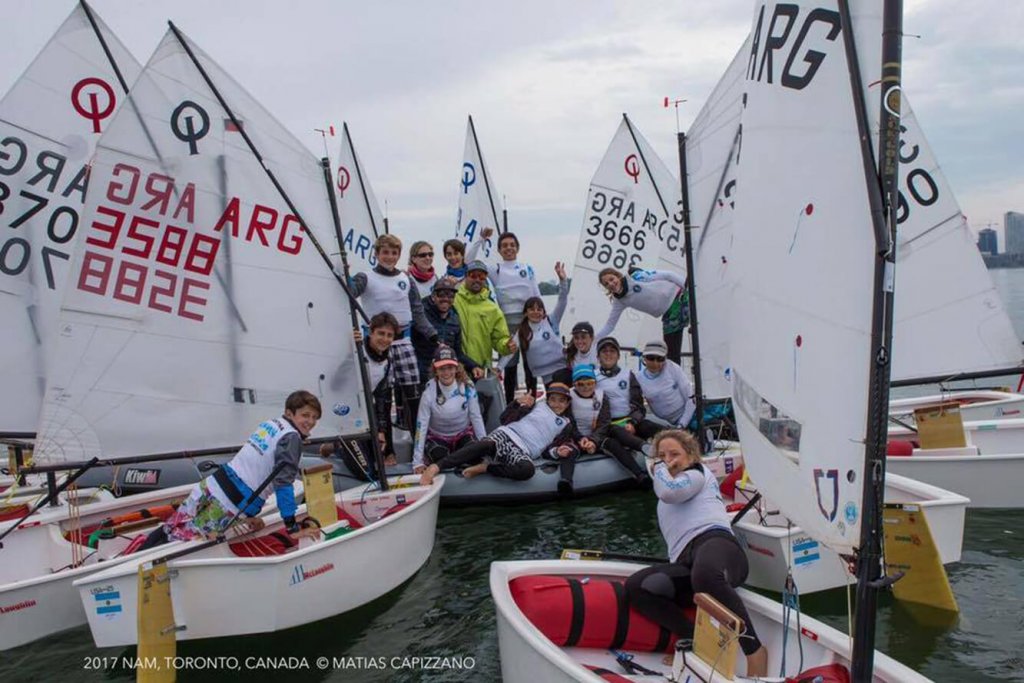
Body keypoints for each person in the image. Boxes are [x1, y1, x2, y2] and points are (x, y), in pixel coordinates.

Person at [625, 430, 767, 677]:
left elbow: (669, 491)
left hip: (718, 545)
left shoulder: (696, 473)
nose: (667, 460)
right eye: (661, 455)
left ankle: (754, 651)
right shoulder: (666, 487)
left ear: (691, 456)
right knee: (637, 586)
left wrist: (659, 467)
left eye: (674, 454)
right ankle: (695, 642)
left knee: (705, 574)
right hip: (686, 561)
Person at [140, 391, 323, 549]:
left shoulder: (271, 424)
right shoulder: (291, 439)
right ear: (289, 413)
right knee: (180, 543)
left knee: (170, 528)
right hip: (228, 503)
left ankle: (136, 552)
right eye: (305, 415)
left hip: (210, 486)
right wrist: (292, 527)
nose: (311, 421)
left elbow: (254, 464)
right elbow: (283, 484)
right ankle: (135, 572)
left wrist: (245, 519)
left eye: (315, 417)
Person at [349, 234, 438, 431]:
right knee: (383, 396)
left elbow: (417, 310)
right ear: (376, 254)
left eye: (394, 253)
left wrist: (432, 333)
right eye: (385, 252)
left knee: (413, 394)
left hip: (403, 342)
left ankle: (418, 440)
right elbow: (351, 292)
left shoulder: (406, 278)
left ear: (399, 255)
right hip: (377, 345)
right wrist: (345, 273)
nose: (389, 257)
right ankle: (385, 443)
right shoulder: (366, 277)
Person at [419, 378, 578, 486]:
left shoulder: (566, 425)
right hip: (507, 434)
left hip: (523, 451)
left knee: (527, 470)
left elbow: (549, 451)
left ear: (568, 403)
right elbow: (504, 419)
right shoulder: (536, 406)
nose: (556, 404)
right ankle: (436, 467)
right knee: (484, 445)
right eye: (553, 399)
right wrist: (517, 403)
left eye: (561, 401)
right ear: (547, 399)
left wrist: (557, 452)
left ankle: (485, 468)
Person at [468, 227, 542, 404]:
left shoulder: (527, 268)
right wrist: (481, 239)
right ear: (499, 250)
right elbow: (468, 261)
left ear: (517, 248)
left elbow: (536, 294)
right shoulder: (495, 269)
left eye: (512, 245)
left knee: (530, 366)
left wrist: (543, 318)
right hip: (506, 323)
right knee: (510, 366)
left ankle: (531, 403)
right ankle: (509, 405)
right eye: (505, 245)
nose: (509, 248)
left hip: (528, 322)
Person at [567, 364, 649, 486]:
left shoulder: (601, 396)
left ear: (595, 383)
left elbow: (604, 422)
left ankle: (641, 462)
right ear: (574, 384)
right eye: (580, 384)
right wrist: (580, 439)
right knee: (610, 439)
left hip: (596, 435)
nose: (586, 387)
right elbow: (568, 422)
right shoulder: (569, 397)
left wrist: (593, 440)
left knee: (613, 439)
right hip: (577, 438)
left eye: (590, 383)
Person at [412, 345, 486, 474]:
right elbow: (421, 426)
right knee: (440, 457)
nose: (446, 373)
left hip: (463, 435)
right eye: (442, 368)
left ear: (456, 368)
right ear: (435, 370)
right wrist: (417, 462)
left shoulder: (467, 387)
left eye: (450, 368)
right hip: (438, 438)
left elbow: (476, 417)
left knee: (475, 455)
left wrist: (485, 447)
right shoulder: (428, 394)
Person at [594, 267, 689, 364]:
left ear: (618, 276)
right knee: (671, 357)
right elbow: (610, 325)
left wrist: (688, 289)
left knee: (694, 316)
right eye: (606, 284)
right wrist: (593, 340)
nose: (610, 284)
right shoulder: (619, 301)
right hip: (669, 314)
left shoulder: (637, 277)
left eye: (611, 279)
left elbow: (668, 275)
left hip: (679, 297)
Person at [412, 277, 479, 385]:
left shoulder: (455, 317)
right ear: (433, 296)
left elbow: (458, 353)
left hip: (445, 375)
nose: (446, 299)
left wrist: (474, 366)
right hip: (421, 373)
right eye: (441, 294)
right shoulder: (421, 314)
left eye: (451, 295)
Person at [514, 262, 568, 386]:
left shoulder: (552, 321)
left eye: (539, 309)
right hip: (545, 376)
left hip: (563, 369)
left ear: (544, 312)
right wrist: (499, 368)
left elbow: (562, 300)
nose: (536, 312)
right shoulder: (522, 330)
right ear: (526, 312)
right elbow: (510, 351)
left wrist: (563, 281)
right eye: (532, 309)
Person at [634, 339, 696, 437]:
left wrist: (681, 425)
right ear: (644, 358)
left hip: (690, 416)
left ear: (665, 359)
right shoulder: (638, 378)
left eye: (660, 359)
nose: (655, 363)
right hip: (664, 422)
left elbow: (691, 399)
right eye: (651, 358)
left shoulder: (673, 368)